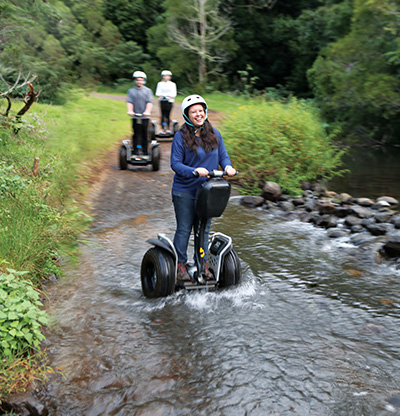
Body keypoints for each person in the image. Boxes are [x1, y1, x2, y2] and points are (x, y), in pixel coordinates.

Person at [170, 94, 237, 281]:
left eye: (201, 110)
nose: (198, 114)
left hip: (208, 191)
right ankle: (180, 265)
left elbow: (223, 156)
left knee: (204, 229)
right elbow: (175, 164)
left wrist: (228, 167)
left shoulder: (215, 134)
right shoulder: (180, 137)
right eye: (194, 112)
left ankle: (203, 264)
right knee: (184, 228)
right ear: (187, 115)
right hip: (184, 191)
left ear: (205, 112)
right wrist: (194, 171)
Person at [126, 71, 153, 155]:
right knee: (136, 134)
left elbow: (149, 102)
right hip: (135, 117)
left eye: (141, 80)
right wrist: (130, 111)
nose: (139, 82)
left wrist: (147, 111)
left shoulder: (148, 91)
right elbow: (129, 102)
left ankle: (145, 151)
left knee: (145, 134)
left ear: (144, 81)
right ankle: (136, 151)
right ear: (135, 81)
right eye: (137, 80)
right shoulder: (131, 91)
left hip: (145, 117)